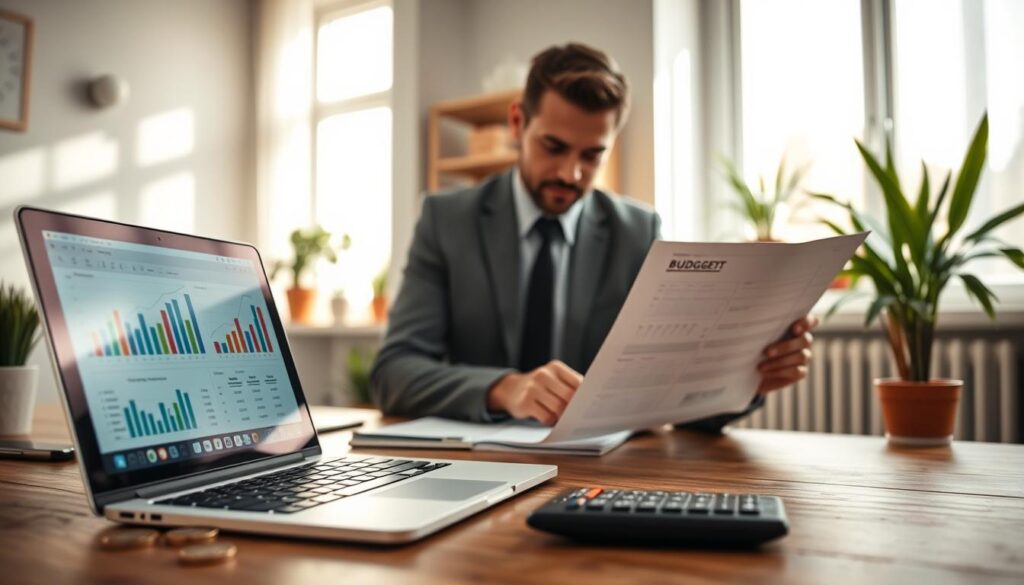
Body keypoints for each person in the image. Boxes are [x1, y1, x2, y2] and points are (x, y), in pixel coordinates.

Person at [370, 42, 817, 431]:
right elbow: (395, 373)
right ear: (516, 123)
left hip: (592, 476)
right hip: (469, 466)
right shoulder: (446, 219)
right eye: (554, 147)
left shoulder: (638, 232)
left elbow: (670, 398)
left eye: (593, 155)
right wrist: (506, 389)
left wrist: (748, 378)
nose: (571, 173)